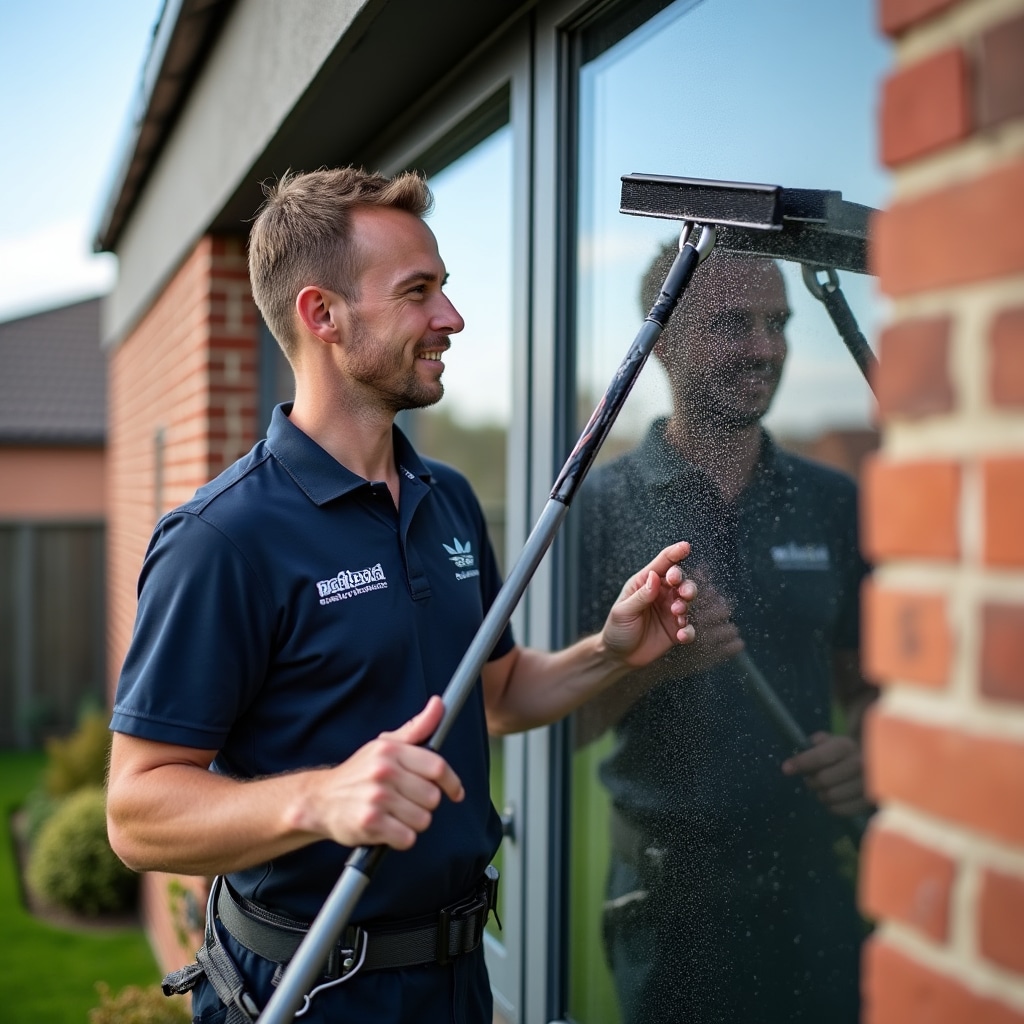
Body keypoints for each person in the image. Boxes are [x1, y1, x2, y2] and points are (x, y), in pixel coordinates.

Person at [105, 167, 700, 1024]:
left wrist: (608, 654)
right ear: (322, 316)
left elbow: (490, 694)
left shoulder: (446, 498)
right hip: (311, 989)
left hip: (456, 984)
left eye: (444, 291)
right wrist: (324, 797)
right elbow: (136, 812)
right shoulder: (223, 539)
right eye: (418, 293)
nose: (451, 319)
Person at [574, 246, 877, 1024]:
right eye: (733, 324)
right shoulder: (601, 509)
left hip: (818, 889)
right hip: (669, 907)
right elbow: (556, 724)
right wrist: (653, 667)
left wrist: (870, 757)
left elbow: (871, 684)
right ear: (665, 339)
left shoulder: (832, 500)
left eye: (777, 324)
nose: (766, 348)